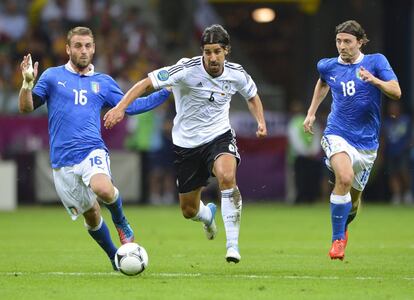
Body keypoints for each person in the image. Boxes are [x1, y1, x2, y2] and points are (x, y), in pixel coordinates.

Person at [104, 24, 267, 263]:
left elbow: (252, 95)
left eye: (217, 52)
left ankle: (232, 245)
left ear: (227, 51)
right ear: (202, 51)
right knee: (189, 210)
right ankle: (207, 216)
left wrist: (261, 122)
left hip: (219, 136)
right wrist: (120, 108)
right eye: (208, 51)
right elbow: (145, 83)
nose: (212, 57)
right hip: (187, 144)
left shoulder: (237, 73)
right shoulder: (185, 69)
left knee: (227, 176)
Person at [18, 26, 171, 270]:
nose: (83, 50)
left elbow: (130, 106)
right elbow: (26, 108)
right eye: (78, 46)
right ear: (68, 49)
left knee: (104, 189)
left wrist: (166, 92)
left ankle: (121, 221)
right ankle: (114, 257)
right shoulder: (51, 77)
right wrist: (27, 84)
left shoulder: (104, 82)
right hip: (62, 162)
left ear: (94, 48)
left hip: (91, 150)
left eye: (88, 45)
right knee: (92, 215)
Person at [303, 20, 401, 260]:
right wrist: (312, 112)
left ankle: (343, 226)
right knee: (344, 178)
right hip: (337, 133)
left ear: (360, 42)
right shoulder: (327, 65)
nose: (342, 46)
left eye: (347, 41)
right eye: (338, 41)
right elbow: (323, 82)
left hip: (366, 144)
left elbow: (396, 92)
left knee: (353, 203)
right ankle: (337, 241)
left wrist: (375, 81)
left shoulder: (376, 62)